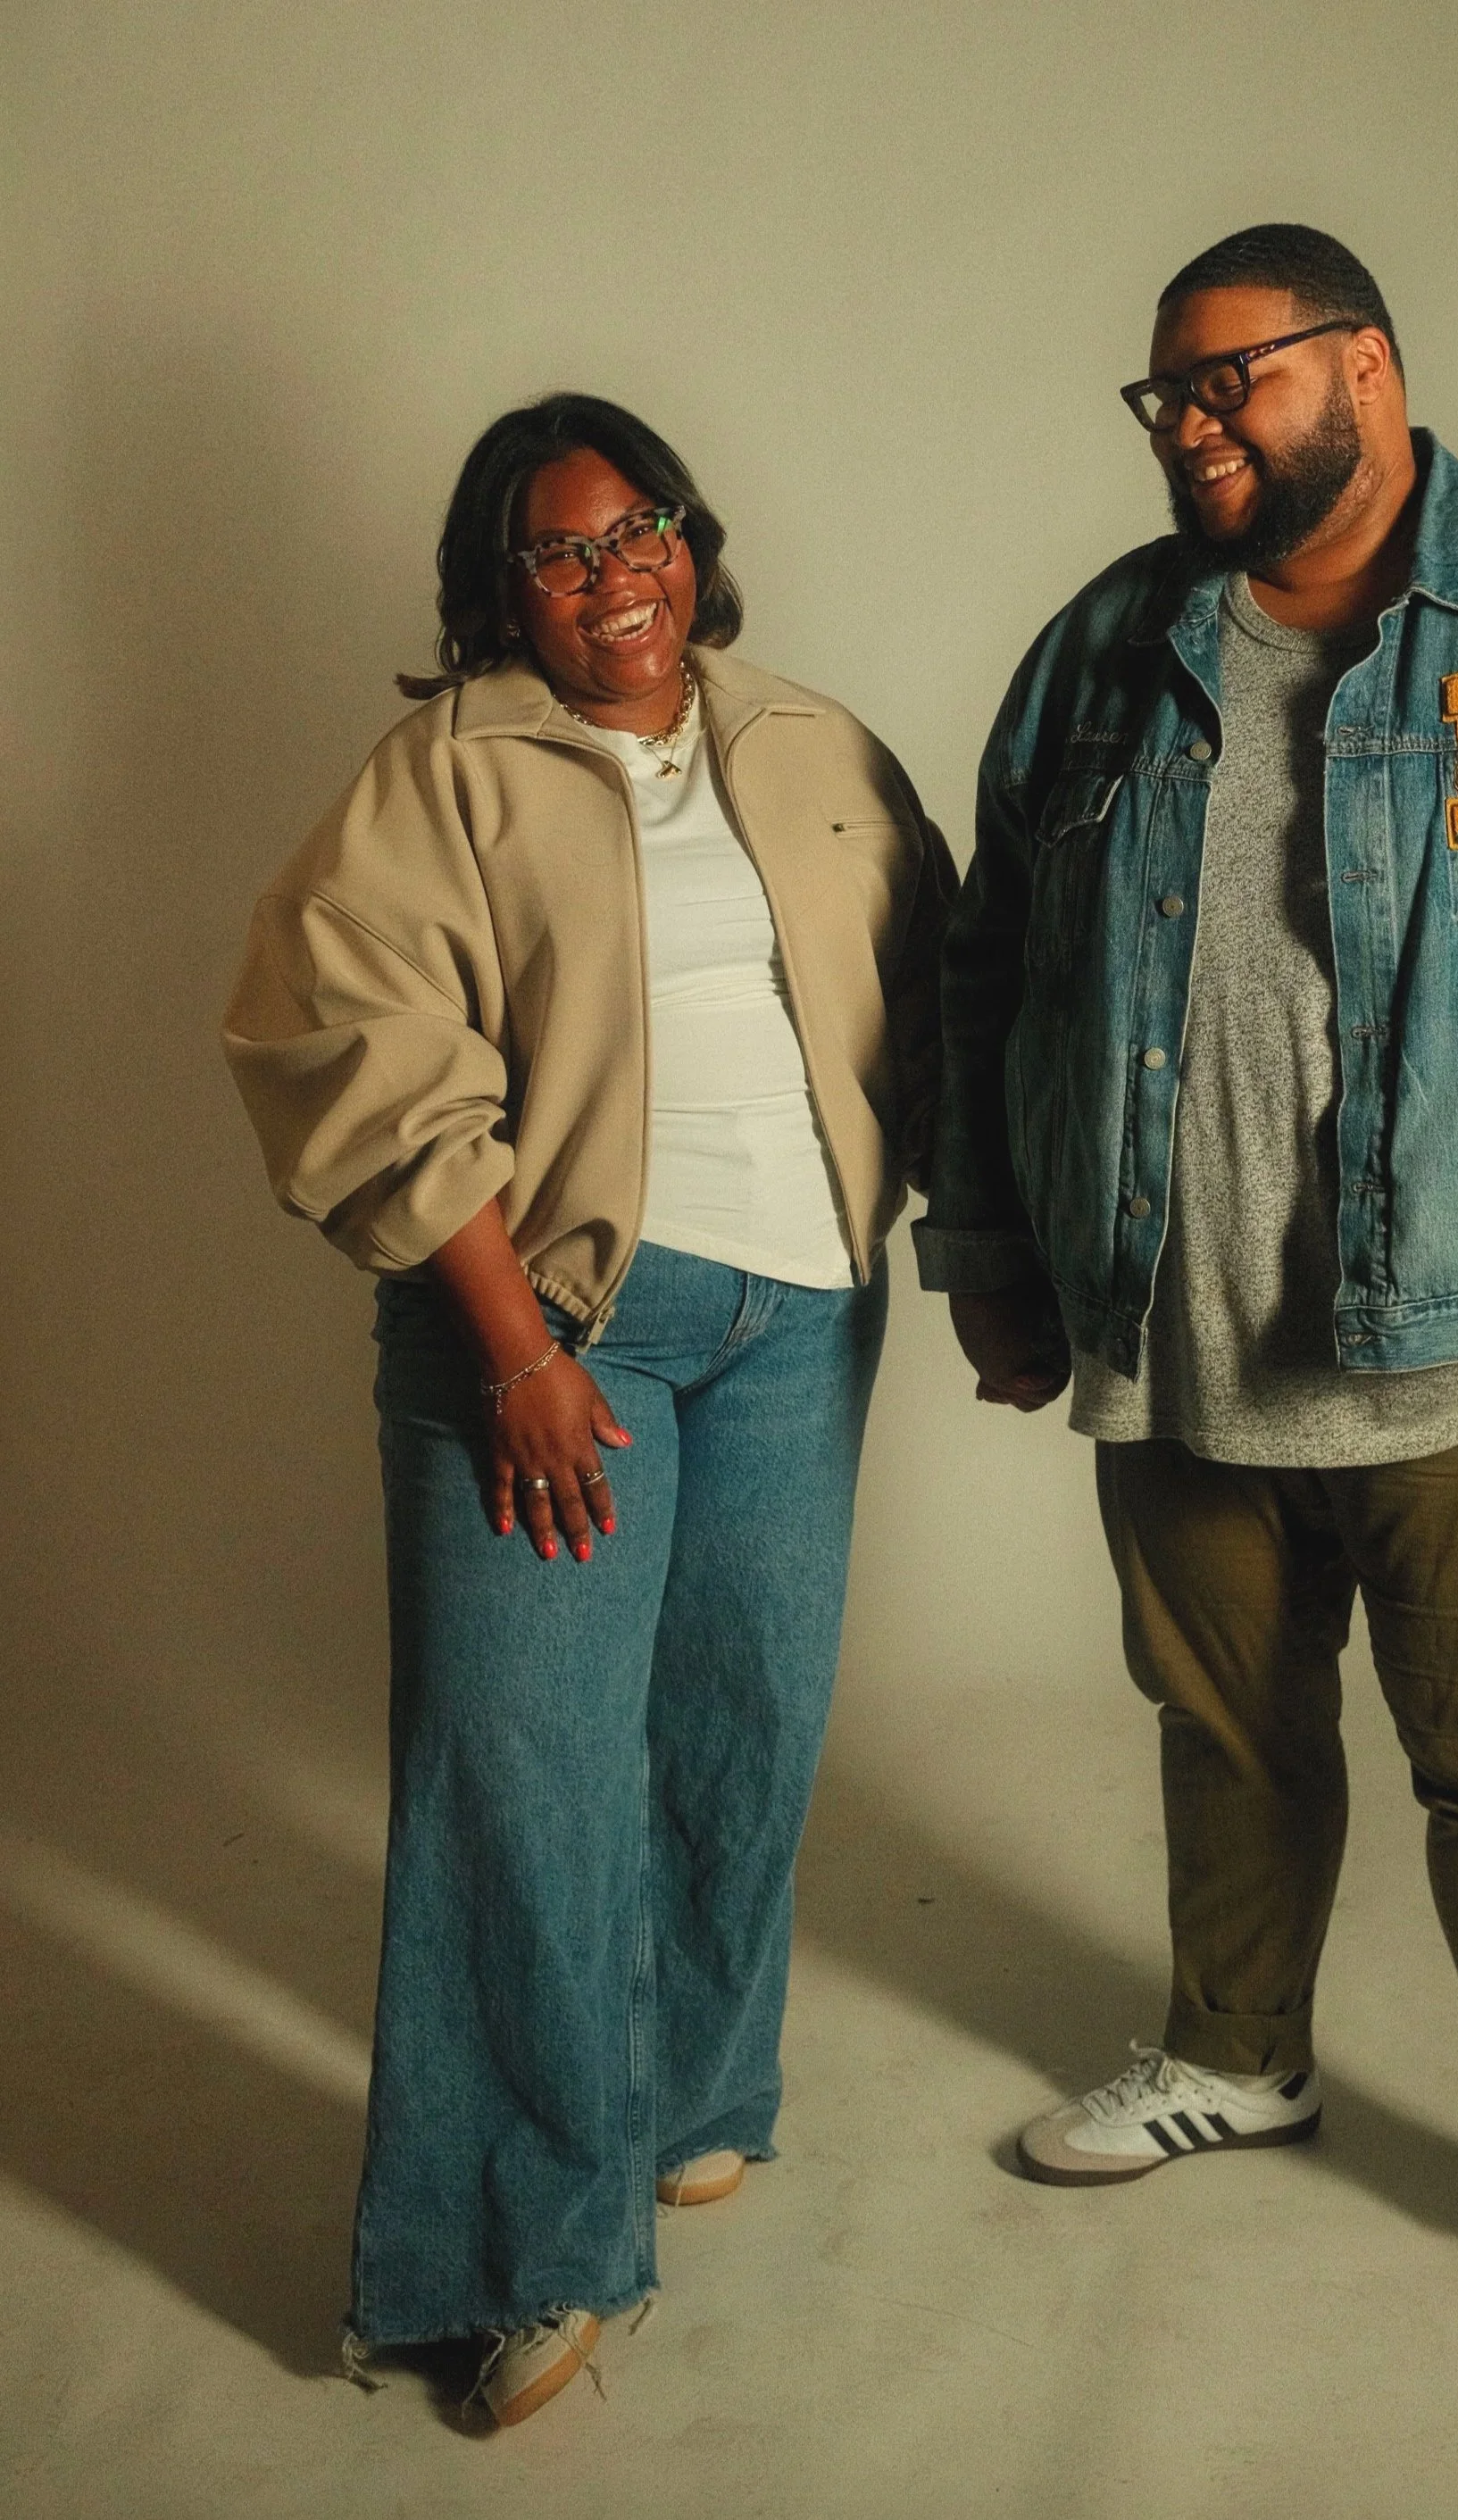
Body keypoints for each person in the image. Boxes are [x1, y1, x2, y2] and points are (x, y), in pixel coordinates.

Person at [916, 226, 1458, 2392]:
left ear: (1368, 368)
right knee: (1223, 1736)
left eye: (1231, 383)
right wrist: (1001, 1253)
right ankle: (1238, 2052)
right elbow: (986, 956)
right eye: (1164, 399)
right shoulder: (1111, 645)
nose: (1191, 427)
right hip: (1175, 1333)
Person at [225, 392, 952, 2425]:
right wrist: (521, 1353)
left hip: (803, 1314)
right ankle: (518, 2256)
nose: (612, 576)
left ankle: (695, 2091)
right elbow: (344, 1043)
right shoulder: (439, 774)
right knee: (522, 1772)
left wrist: (974, 1243)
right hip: (556, 1331)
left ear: (692, 540)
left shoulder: (810, 746)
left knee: (740, 1721)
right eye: (558, 551)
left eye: (640, 529)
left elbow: (936, 991)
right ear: (499, 589)